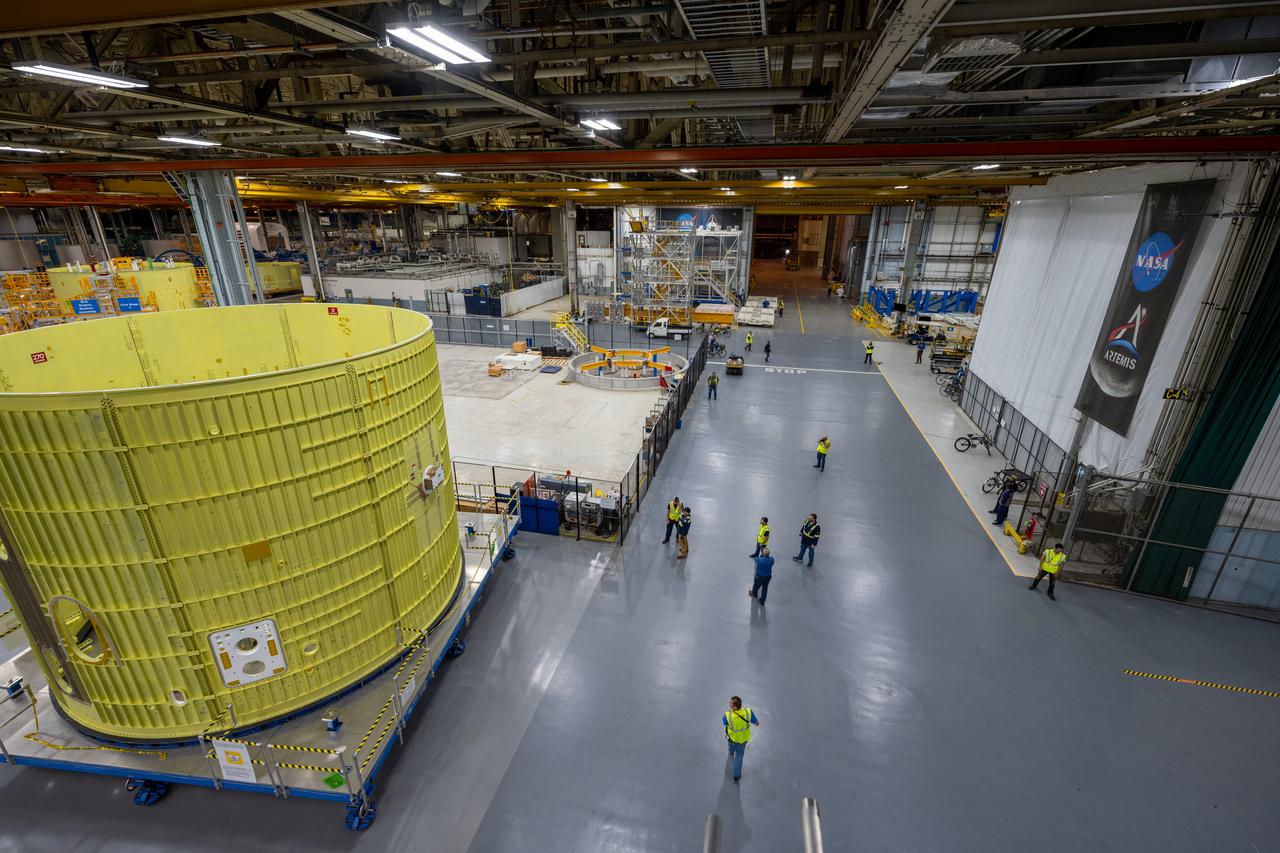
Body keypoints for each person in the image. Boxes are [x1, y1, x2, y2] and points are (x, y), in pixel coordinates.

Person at [722, 696, 760, 783]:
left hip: (732, 738)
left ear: (734, 707)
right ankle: (736, 777)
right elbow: (757, 723)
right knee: (739, 756)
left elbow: (724, 722)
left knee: (731, 747)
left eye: (730, 703)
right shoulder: (748, 712)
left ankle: (731, 752)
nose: (729, 704)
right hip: (743, 740)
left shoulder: (728, 715)